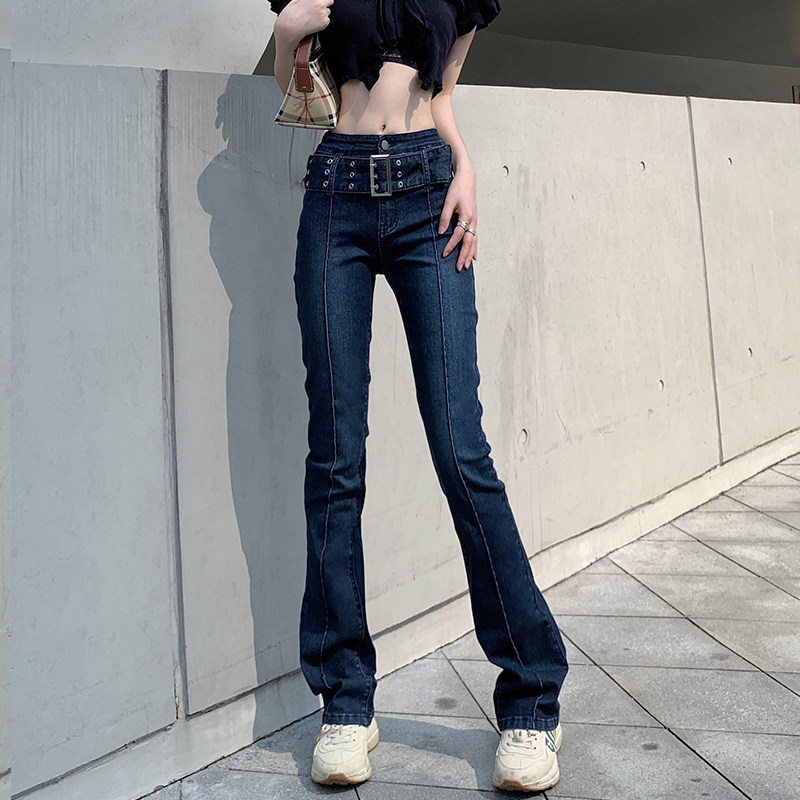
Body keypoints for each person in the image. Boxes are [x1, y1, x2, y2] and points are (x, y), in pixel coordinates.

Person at [270, 0, 569, 792]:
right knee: (335, 456)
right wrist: (285, 33)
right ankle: (345, 703)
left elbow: (441, 97)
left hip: (428, 193)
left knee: (461, 450)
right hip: (336, 194)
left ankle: (532, 701)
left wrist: (465, 166)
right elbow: (297, 91)